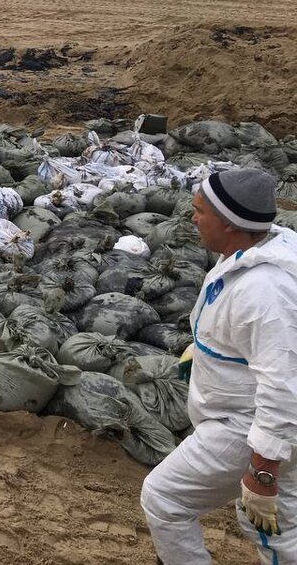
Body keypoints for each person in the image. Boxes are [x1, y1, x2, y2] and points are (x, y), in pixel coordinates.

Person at [140, 167, 297, 565]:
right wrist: (207, 350)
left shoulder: (264, 291)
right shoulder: (250, 255)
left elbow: (283, 383)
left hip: (247, 426)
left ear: (229, 222)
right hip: (248, 419)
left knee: (166, 498)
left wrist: (263, 471)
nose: (192, 218)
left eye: (200, 211)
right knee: (276, 526)